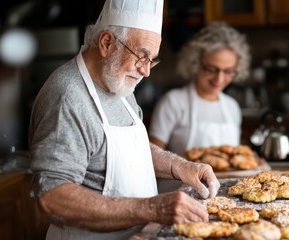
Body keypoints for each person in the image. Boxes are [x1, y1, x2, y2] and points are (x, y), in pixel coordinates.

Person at [29, 0, 220, 239]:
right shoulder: (67, 97)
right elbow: (52, 197)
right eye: (141, 56)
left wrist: (180, 167)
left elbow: (130, 151)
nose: (146, 71)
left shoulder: (118, 82)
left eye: (152, 60)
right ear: (107, 43)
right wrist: (153, 208)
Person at [149, 21, 251, 157]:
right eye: (211, 69)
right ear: (195, 62)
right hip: (181, 179)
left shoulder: (232, 106)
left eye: (228, 71)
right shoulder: (173, 102)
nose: (219, 79)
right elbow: (152, 157)